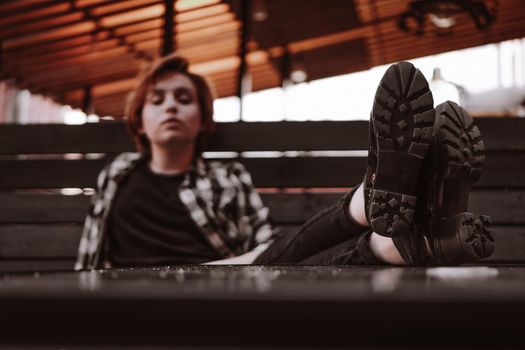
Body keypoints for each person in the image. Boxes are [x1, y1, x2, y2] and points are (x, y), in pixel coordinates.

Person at [75, 53, 494, 270]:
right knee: (277, 263)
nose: (170, 107)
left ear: (202, 120)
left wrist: (250, 266)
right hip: (135, 288)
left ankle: (399, 241)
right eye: (158, 99)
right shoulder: (117, 175)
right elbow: (90, 256)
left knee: (281, 263)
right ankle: (384, 224)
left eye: (184, 100)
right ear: (138, 120)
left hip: (219, 285)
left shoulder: (225, 177)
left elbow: (274, 252)